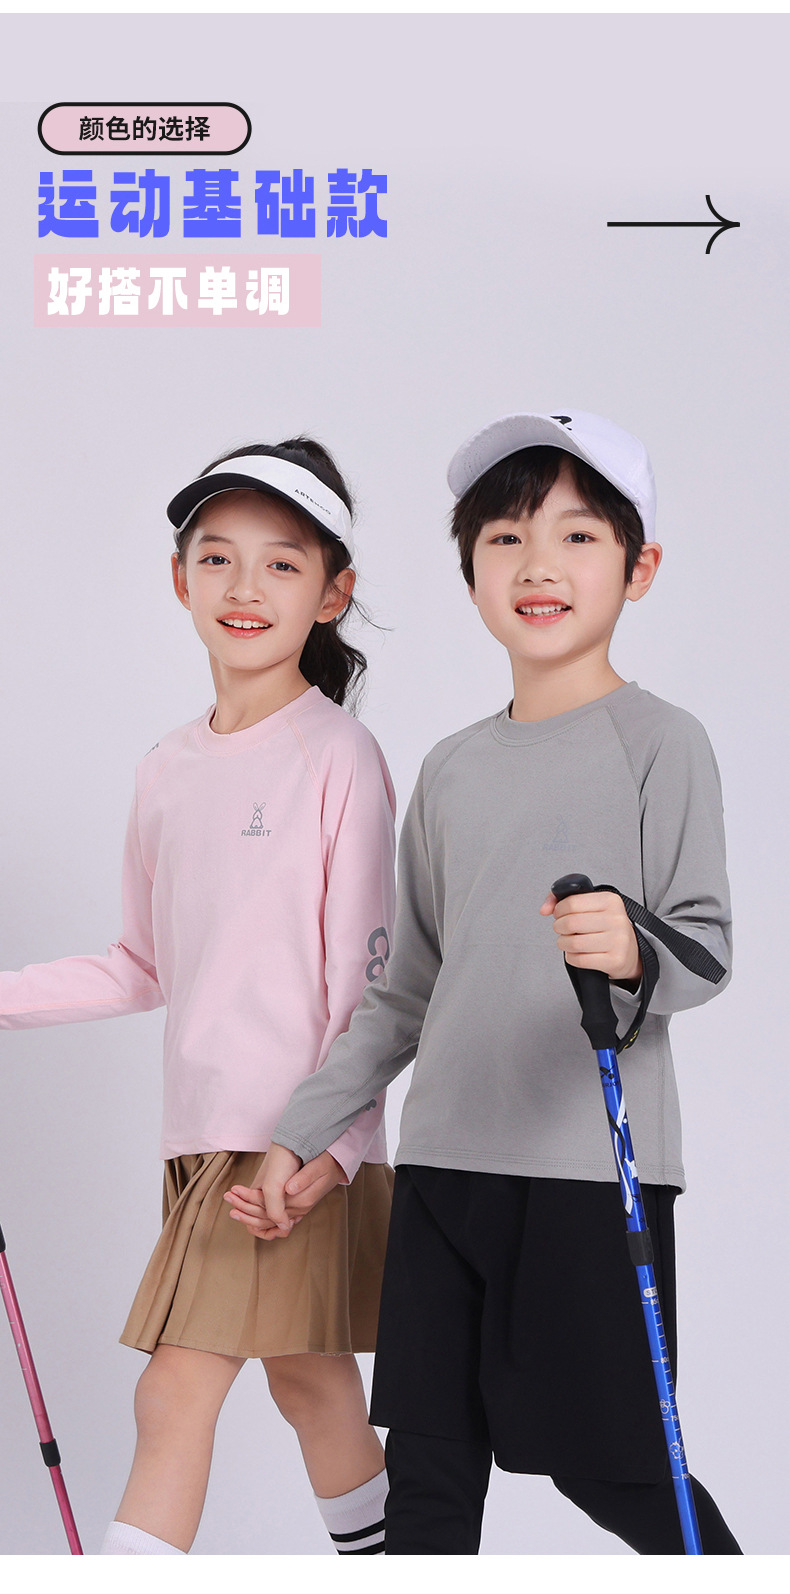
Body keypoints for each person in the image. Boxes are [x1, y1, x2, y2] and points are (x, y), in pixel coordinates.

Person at [245, 410, 742, 1554]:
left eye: (577, 536)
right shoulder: (452, 766)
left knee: (615, 1469)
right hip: (441, 1173)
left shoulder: (660, 742)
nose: (537, 565)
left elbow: (706, 949)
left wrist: (631, 943)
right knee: (426, 1475)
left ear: (638, 567)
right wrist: (304, 1132)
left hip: (588, 1175)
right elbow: (404, 991)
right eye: (505, 538)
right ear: (470, 570)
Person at [0, 439, 396, 1556]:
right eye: (217, 557)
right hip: (200, 1145)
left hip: (289, 1148)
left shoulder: (339, 756)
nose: (244, 587)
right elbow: (142, 963)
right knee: (314, 1386)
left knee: (174, 1391)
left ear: (332, 594)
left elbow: (371, 984)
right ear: (180, 579)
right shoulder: (167, 767)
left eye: (282, 563)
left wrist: (329, 1147)